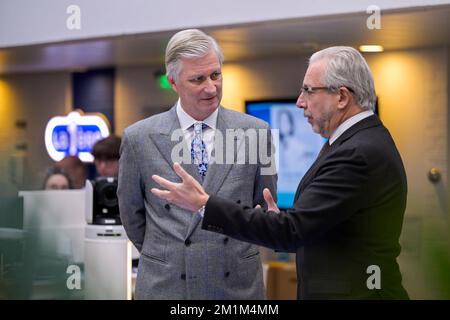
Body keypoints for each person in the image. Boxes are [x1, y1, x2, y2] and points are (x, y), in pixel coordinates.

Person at [151, 46, 409, 299]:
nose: (300, 102)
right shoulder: (355, 142)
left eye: (308, 90)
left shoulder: (356, 153)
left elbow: (292, 232)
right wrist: (277, 222)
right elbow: (313, 227)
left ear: (341, 97)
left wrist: (204, 203)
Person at [117, 29, 277, 299]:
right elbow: (132, 215)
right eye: (197, 79)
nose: (211, 87)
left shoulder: (256, 132)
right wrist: (168, 253)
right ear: (173, 82)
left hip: (235, 285)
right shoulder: (139, 138)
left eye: (216, 75)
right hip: (167, 285)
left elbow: (262, 205)